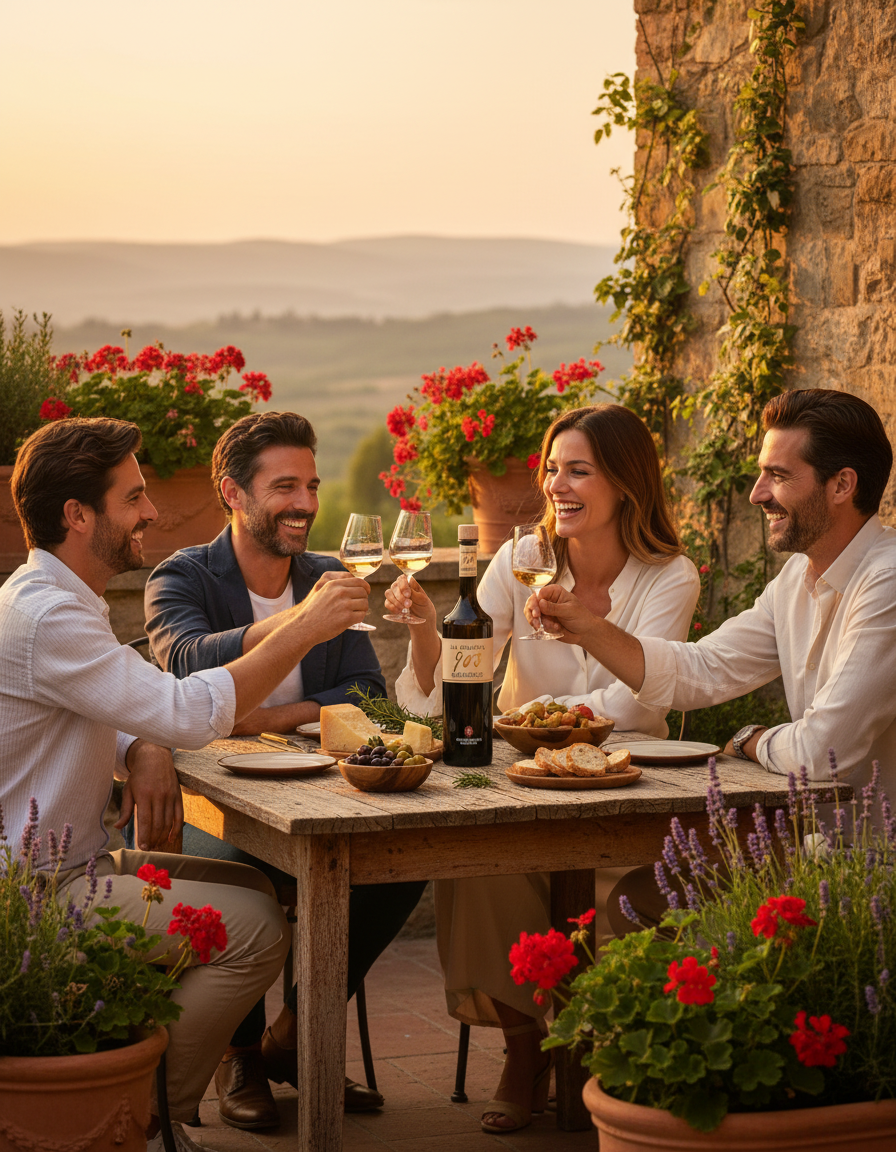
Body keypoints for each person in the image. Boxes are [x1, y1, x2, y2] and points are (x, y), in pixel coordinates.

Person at [0, 416, 373, 1152]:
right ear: (77, 515)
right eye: (133, 497)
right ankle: (136, 1118)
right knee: (255, 932)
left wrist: (141, 747)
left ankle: (142, 1101)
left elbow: (130, 706)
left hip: (71, 866)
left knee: (259, 893)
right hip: (36, 898)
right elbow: (185, 708)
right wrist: (301, 628)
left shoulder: (58, 598)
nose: (151, 512)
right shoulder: (50, 617)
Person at [385, 404, 700, 1133]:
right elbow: (455, 684)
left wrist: (535, 713)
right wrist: (429, 631)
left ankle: (592, 1043)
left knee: (615, 899)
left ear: (625, 482)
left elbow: (634, 701)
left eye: (579, 470)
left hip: (623, 794)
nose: (558, 484)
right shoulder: (522, 557)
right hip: (523, 787)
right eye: (552, 468)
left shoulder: (668, 576)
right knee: (477, 863)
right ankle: (526, 1050)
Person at [144, 411, 426, 1130]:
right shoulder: (181, 577)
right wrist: (295, 630)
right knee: (249, 883)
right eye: (285, 487)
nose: (305, 503)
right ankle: (239, 1053)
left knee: (402, 857)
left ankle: (294, 1040)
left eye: (312, 485)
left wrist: (254, 716)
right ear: (232, 493)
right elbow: (185, 668)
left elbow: (371, 699)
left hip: (317, 786)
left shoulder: (329, 574)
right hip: (215, 803)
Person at [532, 388, 896, 807]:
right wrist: (590, 630)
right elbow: (704, 669)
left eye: (778, 476)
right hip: (812, 846)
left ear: (842, 485)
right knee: (641, 878)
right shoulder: (798, 576)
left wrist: (751, 740)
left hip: (871, 860)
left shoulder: (885, 582)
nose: (756, 494)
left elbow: (821, 751)